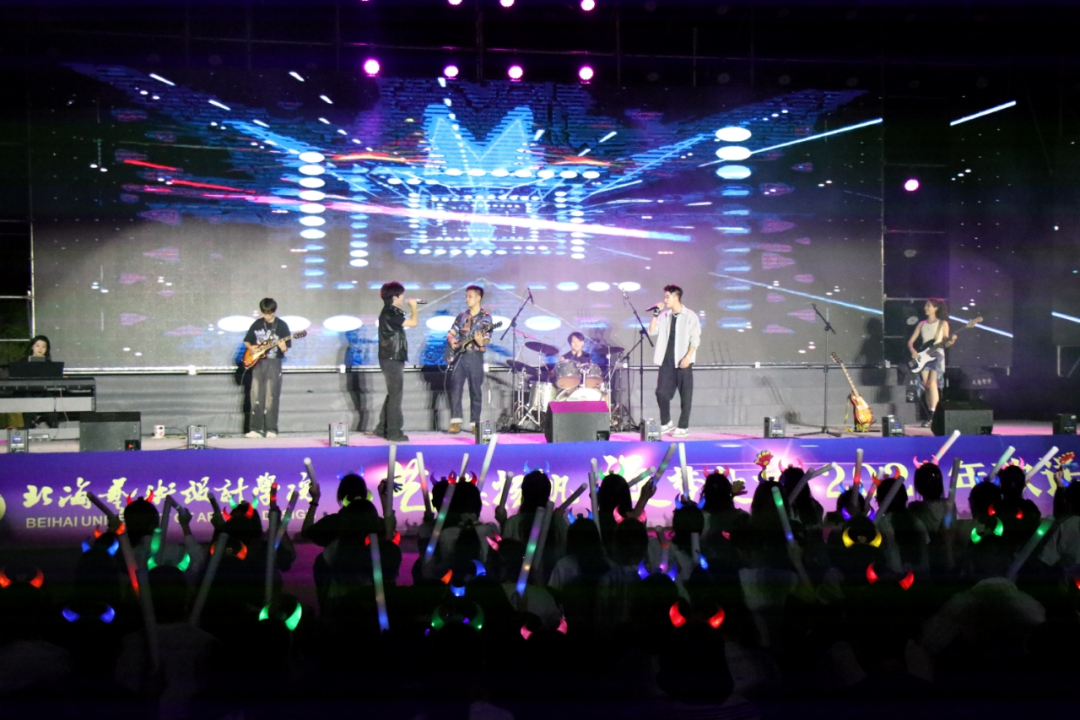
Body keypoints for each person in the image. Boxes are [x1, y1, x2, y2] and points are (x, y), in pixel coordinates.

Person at [648, 284, 700, 437]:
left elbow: (695, 339)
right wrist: (655, 314)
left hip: (683, 360)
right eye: (664, 297)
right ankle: (666, 422)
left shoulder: (690, 315)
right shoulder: (664, 316)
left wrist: (688, 357)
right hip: (666, 360)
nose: (665, 300)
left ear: (676, 297)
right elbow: (652, 331)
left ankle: (683, 426)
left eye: (667, 297)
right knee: (661, 393)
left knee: (686, 396)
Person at [445, 285, 492, 434]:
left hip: (475, 357)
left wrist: (480, 341)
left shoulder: (486, 317)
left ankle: (475, 423)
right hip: (460, 357)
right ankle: (455, 421)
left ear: (478, 298)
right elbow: (451, 333)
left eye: (470, 296)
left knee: (475, 390)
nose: (467, 299)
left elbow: (486, 339)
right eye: (466, 296)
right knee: (456, 389)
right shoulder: (461, 316)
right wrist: (452, 340)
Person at [375, 282, 418, 443]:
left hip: (391, 357)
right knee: (395, 395)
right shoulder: (389, 312)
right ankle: (394, 432)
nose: (403, 298)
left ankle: (382, 428)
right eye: (402, 295)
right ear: (395, 296)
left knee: (393, 394)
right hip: (391, 357)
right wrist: (414, 307)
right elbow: (413, 323)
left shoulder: (390, 312)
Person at [243, 298, 290, 438]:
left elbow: (285, 349)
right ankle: (255, 429)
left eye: (269, 313)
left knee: (271, 396)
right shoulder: (257, 323)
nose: (267, 316)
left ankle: (271, 429)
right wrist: (252, 348)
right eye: (264, 313)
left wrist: (282, 346)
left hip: (273, 363)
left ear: (274, 311)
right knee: (256, 395)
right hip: (258, 363)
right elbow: (247, 341)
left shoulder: (281, 325)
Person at [907, 298, 956, 426]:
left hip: (937, 354)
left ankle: (933, 415)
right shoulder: (921, 324)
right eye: (926, 305)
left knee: (933, 383)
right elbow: (910, 341)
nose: (926, 308)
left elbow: (946, 343)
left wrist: (951, 341)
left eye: (929, 306)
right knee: (927, 386)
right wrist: (912, 350)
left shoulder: (942, 323)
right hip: (924, 356)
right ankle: (932, 414)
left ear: (936, 308)